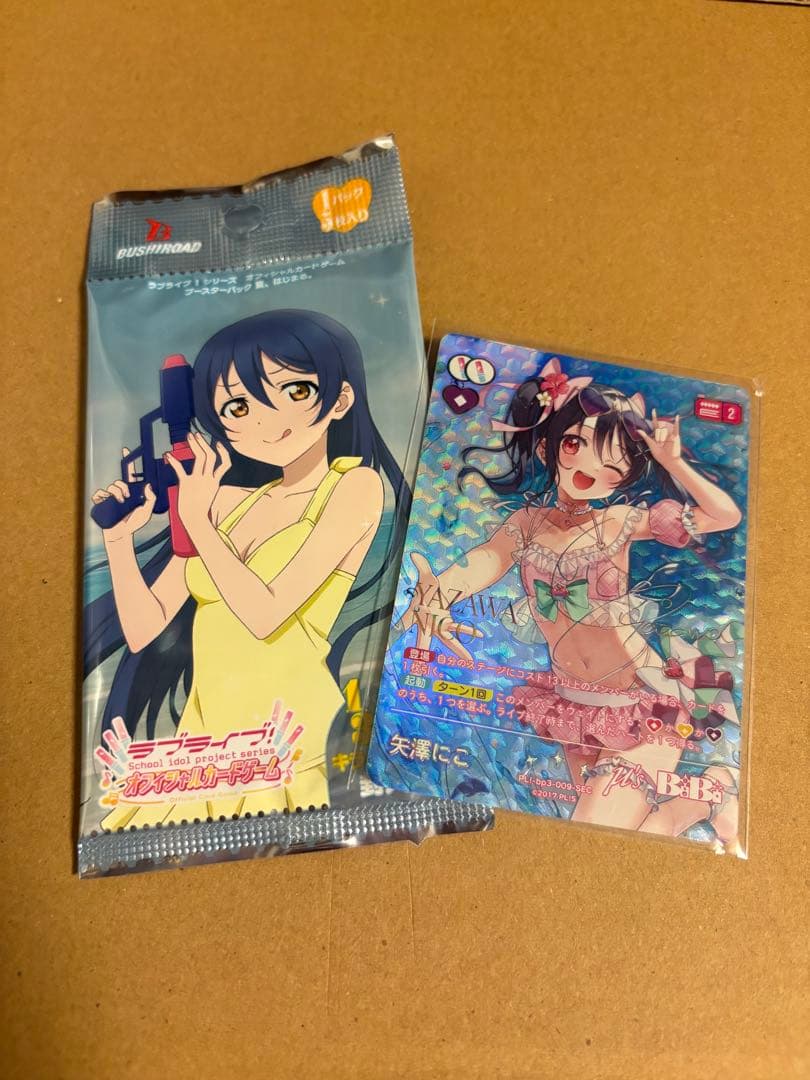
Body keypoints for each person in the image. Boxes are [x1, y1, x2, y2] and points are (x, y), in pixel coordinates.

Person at [85, 309, 409, 826]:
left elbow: (266, 615)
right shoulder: (226, 500)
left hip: (294, 734)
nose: (263, 420)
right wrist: (119, 540)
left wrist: (199, 521)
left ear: (340, 400)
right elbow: (145, 629)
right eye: (237, 406)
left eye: (295, 391)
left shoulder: (353, 487)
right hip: (209, 744)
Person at [400, 358, 741, 842]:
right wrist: (439, 592)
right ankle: (707, 793)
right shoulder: (526, 525)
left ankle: (706, 794)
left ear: (625, 474)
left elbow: (724, 516)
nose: (589, 467)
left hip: (645, 700)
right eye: (576, 444)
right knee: (608, 838)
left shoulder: (618, 521)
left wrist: (673, 463)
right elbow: (485, 560)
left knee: (594, 832)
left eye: (612, 460)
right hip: (573, 706)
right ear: (548, 446)